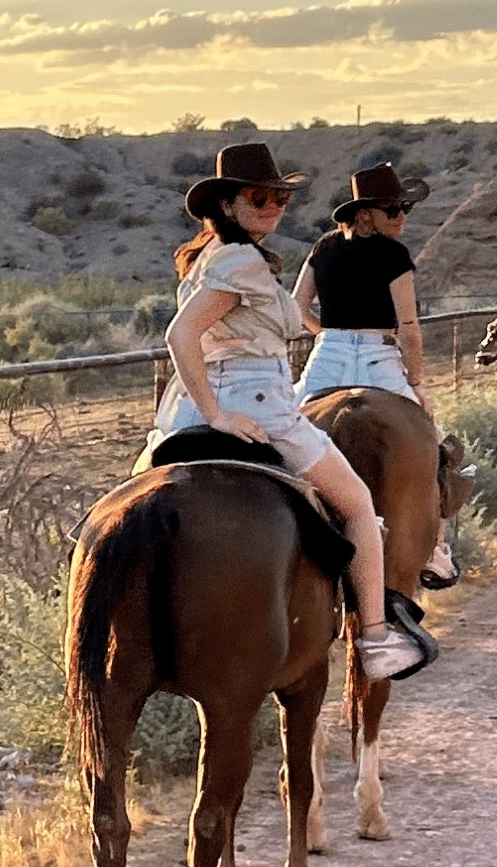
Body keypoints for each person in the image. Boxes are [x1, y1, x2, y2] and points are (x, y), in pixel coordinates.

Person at [155, 143, 432, 682]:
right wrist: (218, 414)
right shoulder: (242, 261)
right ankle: (376, 639)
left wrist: (203, 406)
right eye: (259, 199)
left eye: (280, 199)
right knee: (358, 505)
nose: (273, 209)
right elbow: (179, 334)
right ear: (227, 204)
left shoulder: (208, 255)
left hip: (182, 411)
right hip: (256, 403)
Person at [293, 163, 430, 401]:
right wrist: (416, 384)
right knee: (424, 423)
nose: (401, 216)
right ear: (365, 214)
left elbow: (297, 307)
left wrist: (330, 337)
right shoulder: (395, 254)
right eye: (391, 209)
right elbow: (409, 330)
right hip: (379, 364)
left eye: (405, 207)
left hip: (327, 361)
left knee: (287, 420)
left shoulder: (323, 246)